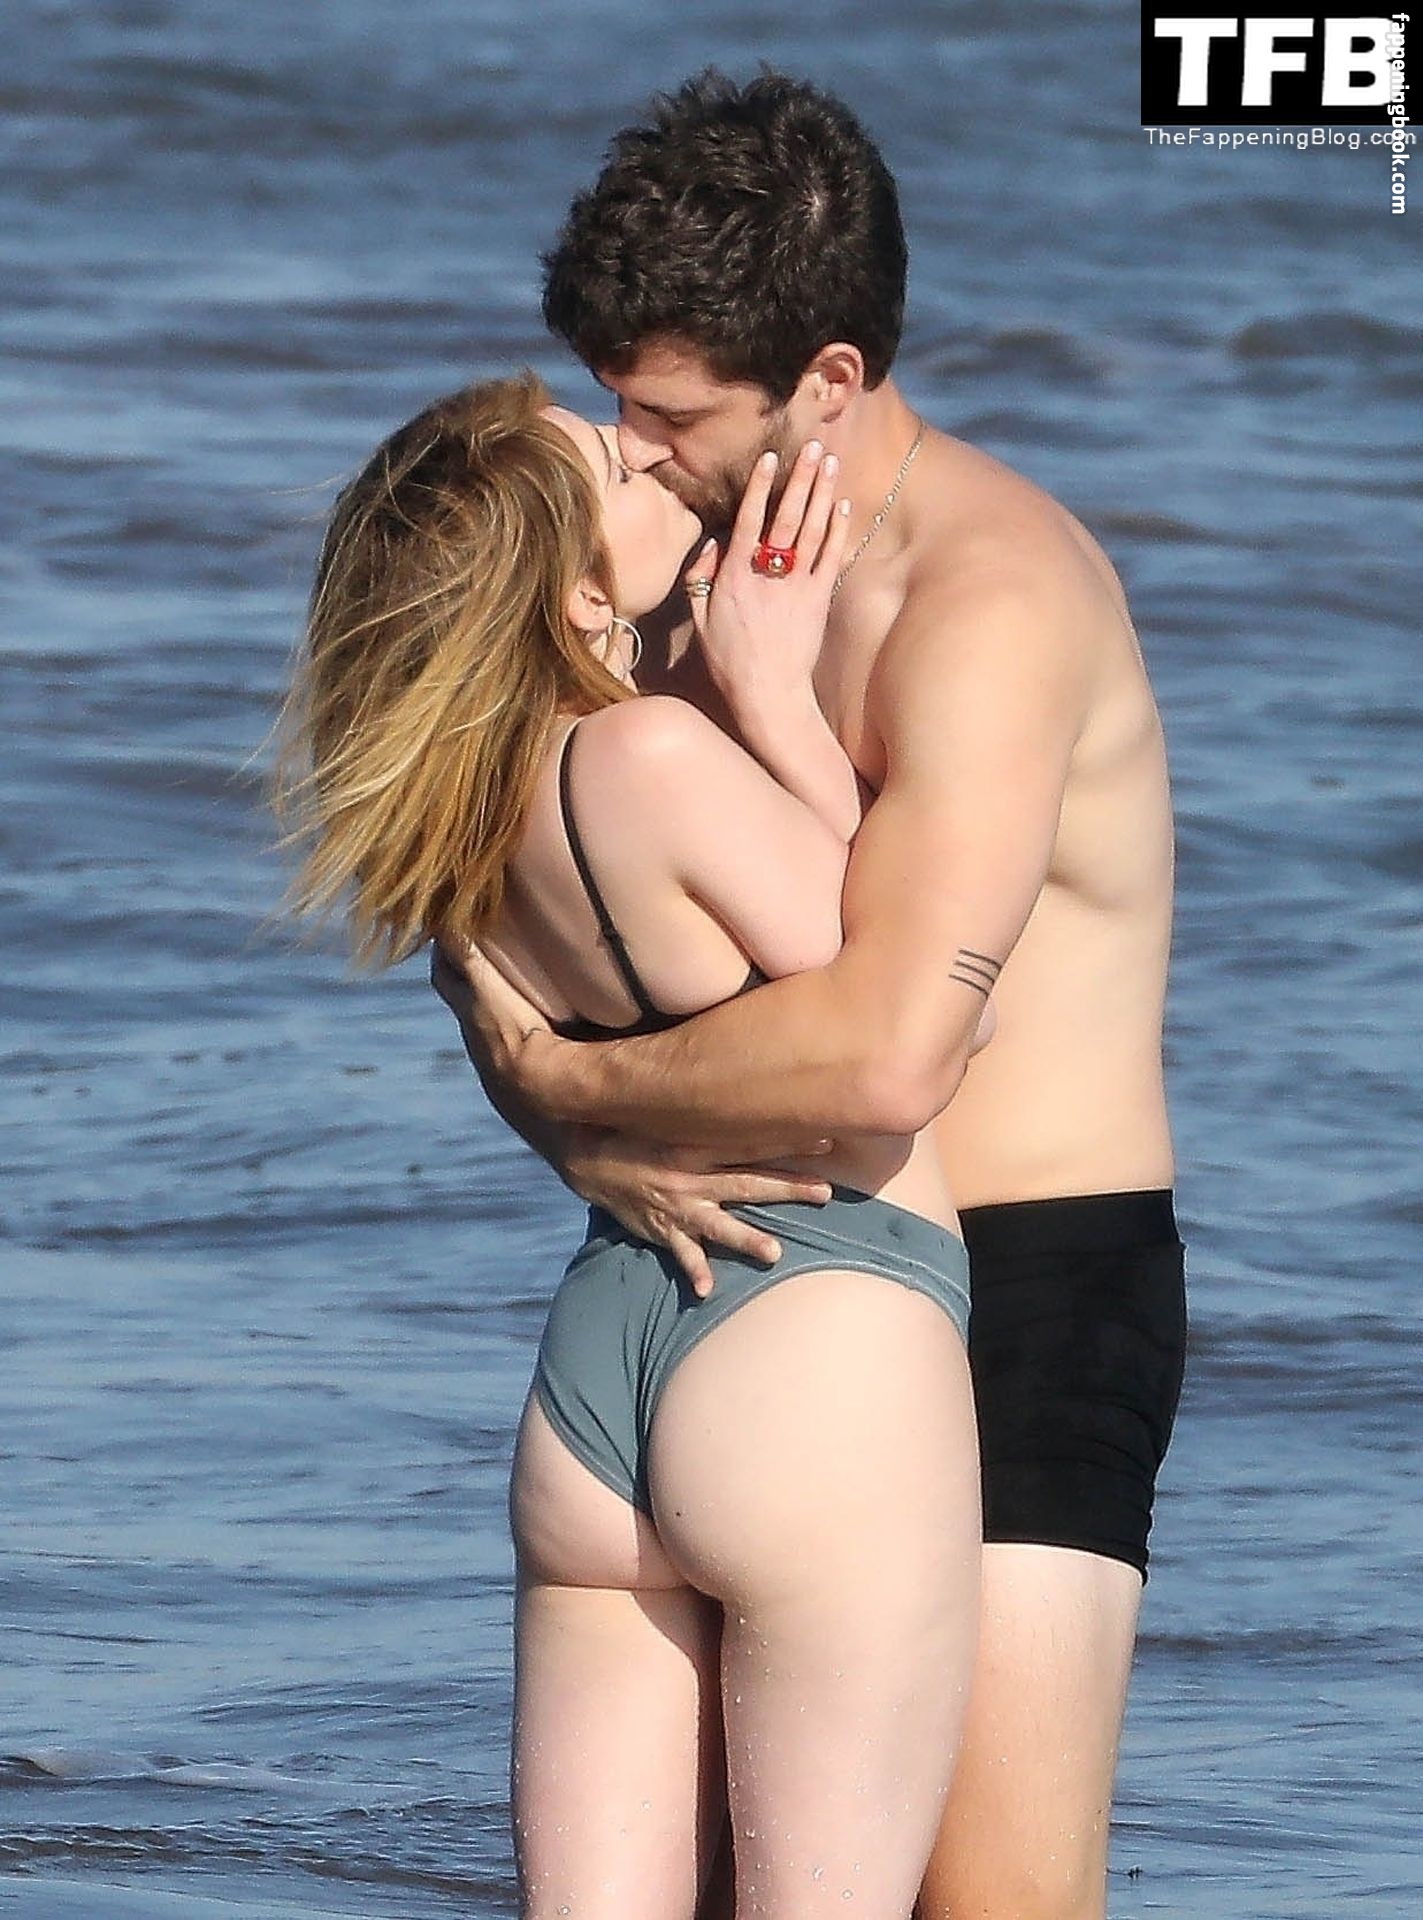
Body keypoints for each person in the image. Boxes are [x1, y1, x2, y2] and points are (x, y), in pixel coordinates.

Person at [438, 70, 1188, 1920]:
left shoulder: (984, 602)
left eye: (671, 415)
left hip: (1027, 1281)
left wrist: (576, 1100)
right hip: (737, 1268)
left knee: (991, 1906)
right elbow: (474, 874)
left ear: (829, 382)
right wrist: (544, 1099)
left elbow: (893, 1048)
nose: (630, 453)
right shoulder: (670, 573)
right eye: (616, 401)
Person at [276, 372, 989, 1919]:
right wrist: (776, 692)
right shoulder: (649, 760)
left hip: (601, 1372)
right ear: (575, 588)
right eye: (613, 461)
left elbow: (523, 1045)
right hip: (814, 1334)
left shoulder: (446, 820)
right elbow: (913, 1022)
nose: (650, 456)